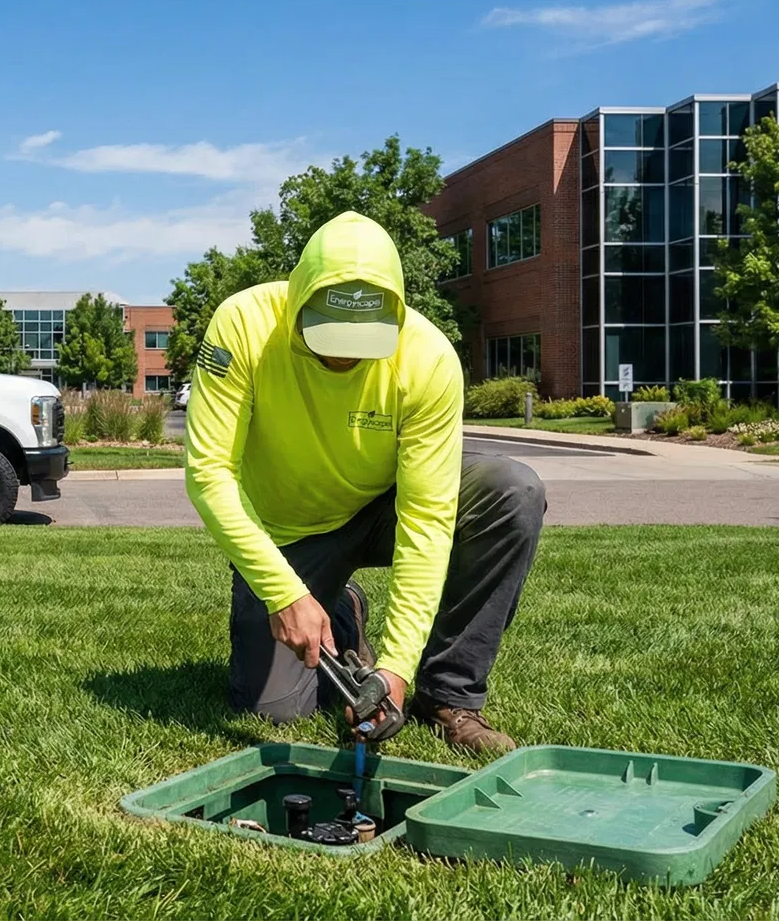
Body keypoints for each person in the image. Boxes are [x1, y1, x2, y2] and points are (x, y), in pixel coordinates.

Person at [183, 211, 544, 754]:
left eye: (362, 340)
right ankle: (343, 611)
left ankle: (448, 695)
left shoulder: (428, 358)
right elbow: (210, 472)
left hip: (382, 509)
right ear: (297, 301)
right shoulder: (242, 325)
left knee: (511, 491)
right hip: (288, 532)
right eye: (328, 335)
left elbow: (426, 521)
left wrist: (396, 670)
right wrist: (284, 593)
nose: (343, 354)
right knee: (274, 710)